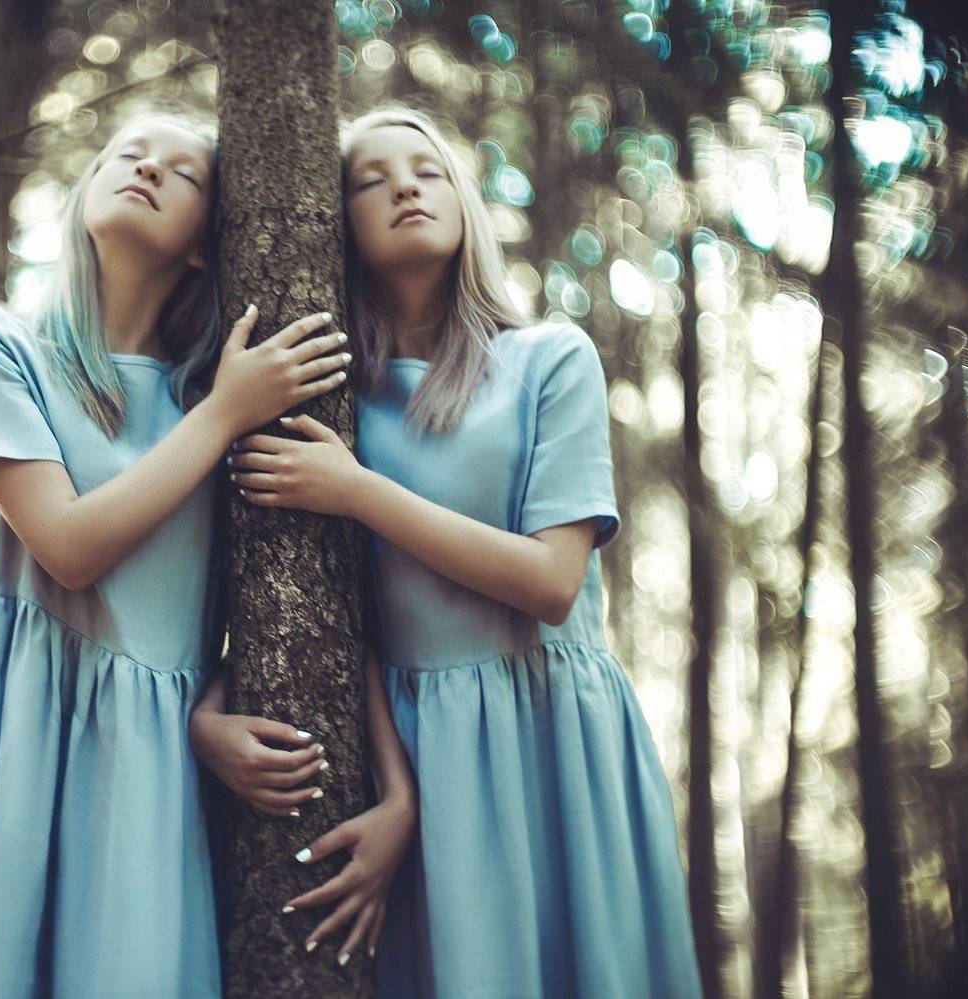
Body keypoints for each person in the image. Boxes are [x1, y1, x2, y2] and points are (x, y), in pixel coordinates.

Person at [0, 114, 352, 998]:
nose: (149, 169)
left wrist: (204, 713)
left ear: (204, 245)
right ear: (86, 194)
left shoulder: (215, 396)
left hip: (153, 772)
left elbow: (264, 604)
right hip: (18, 737)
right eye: (130, 155)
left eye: (182, 173)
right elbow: (70, 548)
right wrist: (224, 414)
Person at [226, 106, 703, 998]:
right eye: (371, 180)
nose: (405, 187)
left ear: (464, 202)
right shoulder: (336, 401)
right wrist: (400, 795)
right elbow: (343, 624)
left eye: (429, 170)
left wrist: (357, 490)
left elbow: (551, 581)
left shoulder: (550, 361)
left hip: (553, 728)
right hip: (421, 752)